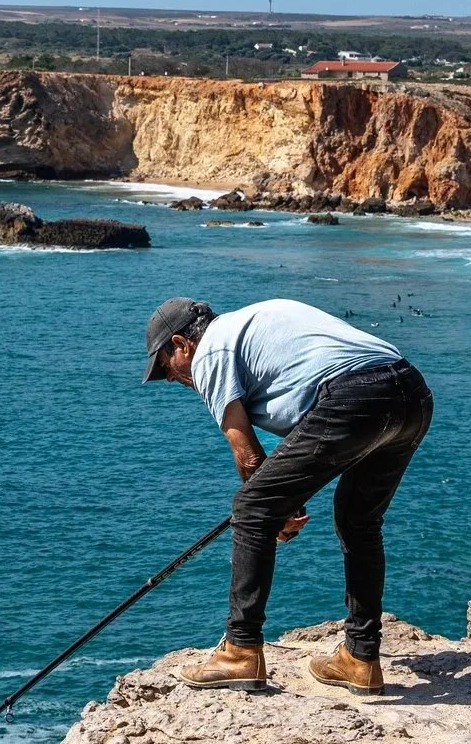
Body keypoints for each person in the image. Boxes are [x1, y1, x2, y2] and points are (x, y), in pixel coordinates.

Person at [142, 296, 434, 695]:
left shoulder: (211, 351)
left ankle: (241, 651)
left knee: (249, 508)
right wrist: (282, 502)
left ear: (181, 344)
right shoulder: (252, 322)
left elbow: (246, 454)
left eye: (165, 367)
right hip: (410, 393)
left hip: (355, 394)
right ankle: (361, 658)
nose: (174, 380)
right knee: (358, 520)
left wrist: (272, 510)